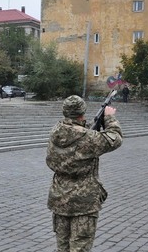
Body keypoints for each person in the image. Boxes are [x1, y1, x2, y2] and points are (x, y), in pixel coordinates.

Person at [46, 95, 123, 252]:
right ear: (82, 112)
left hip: (59, 198)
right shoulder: (88, 138)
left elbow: (76, 133)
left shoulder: (56, 131)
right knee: (80, 247)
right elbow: (115, 138)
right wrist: (109, 118)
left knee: (62, 247)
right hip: (83, 202)